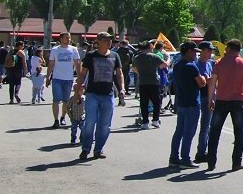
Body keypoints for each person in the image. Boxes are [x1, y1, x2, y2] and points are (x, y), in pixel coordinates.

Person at [74, 33, 126, 161]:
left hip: (108, 95)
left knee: (105, 125)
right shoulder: (91, 55)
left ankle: (98, 149)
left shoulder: (115, 56)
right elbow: (83, 73)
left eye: (110, 40)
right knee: (90, 123)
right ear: (99, 41)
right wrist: (77, 91)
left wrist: (122, 89)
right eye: (106, 40)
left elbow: (119, 74)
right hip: (92, 94)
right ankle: (86, 148)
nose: (109, 42)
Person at [206, 38, 243, 172]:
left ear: (228, 49)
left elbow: (212, 83)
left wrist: (210, 100)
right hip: (237, 101)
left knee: (214, 132)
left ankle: (211, 162)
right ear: (238, 50)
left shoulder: (219, 63)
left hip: (221, 100)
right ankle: (236, 163)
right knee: (239, 133)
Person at [169, 42, 206, 169]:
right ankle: (185, 158)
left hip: (181, 102)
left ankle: (173, 157)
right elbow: (201, 83)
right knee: (189, 133)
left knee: (179, 131)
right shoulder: (191, 66)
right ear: (188, 51)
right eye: (194, 51)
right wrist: (204, 78)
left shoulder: (177, 65)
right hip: (192, 103)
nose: (196, 54)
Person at [47, 32, 80, 128]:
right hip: (57, 78)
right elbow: (51, 64)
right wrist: (48, 77)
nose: (68, 39)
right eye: (66, 38)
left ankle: (63, 117)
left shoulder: (73, 50)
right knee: (56, 100)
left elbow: (77, 64)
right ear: (61, 39)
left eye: (69, 38)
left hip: (68, 79)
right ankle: (56, 120)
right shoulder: (55, 50)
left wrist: (79, 77)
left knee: (66, 100)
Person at [193, 42, 215, 163]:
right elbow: (203, 81)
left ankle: (203, 151)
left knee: (209, 126)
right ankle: (200, 153)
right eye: (209, 50)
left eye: (211, 50)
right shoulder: (197, 64)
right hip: (202, 96)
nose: (211, 52)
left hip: (211, 96)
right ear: (202, 51)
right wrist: (211, 80)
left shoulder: (210, 63)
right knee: (204, 126)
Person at [133, 41, 163, 128]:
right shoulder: (154, 57)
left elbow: (134, 68)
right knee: (156, 102)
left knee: (144, 103)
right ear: (149, 47)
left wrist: (140, 73)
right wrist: (168, 59)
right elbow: (163, 65)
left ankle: (145, 122)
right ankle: (155, 120)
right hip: (154, 82)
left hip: (143, 82)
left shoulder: (137, 57)